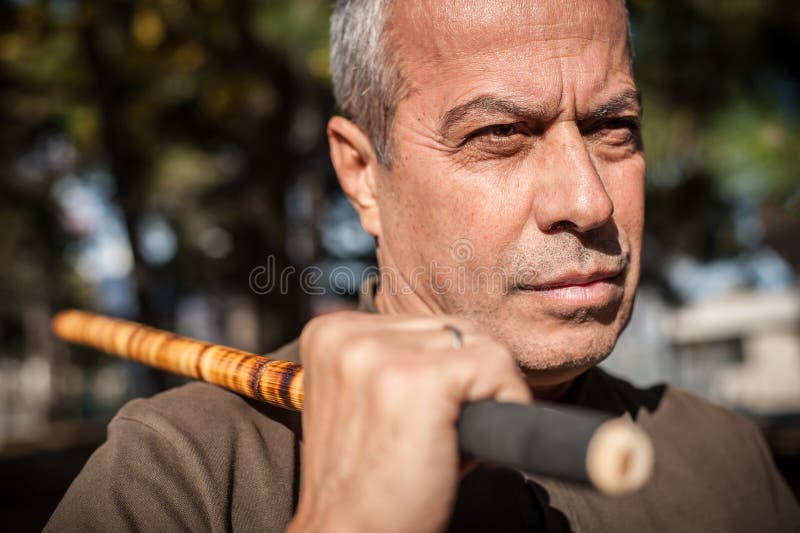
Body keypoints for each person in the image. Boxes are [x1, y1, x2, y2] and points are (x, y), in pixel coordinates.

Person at [47, 0, 799, 531]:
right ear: (362, 174)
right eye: (501, 132)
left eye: (613, 126)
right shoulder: (184, 478)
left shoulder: (723, 457)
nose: (587, 199)